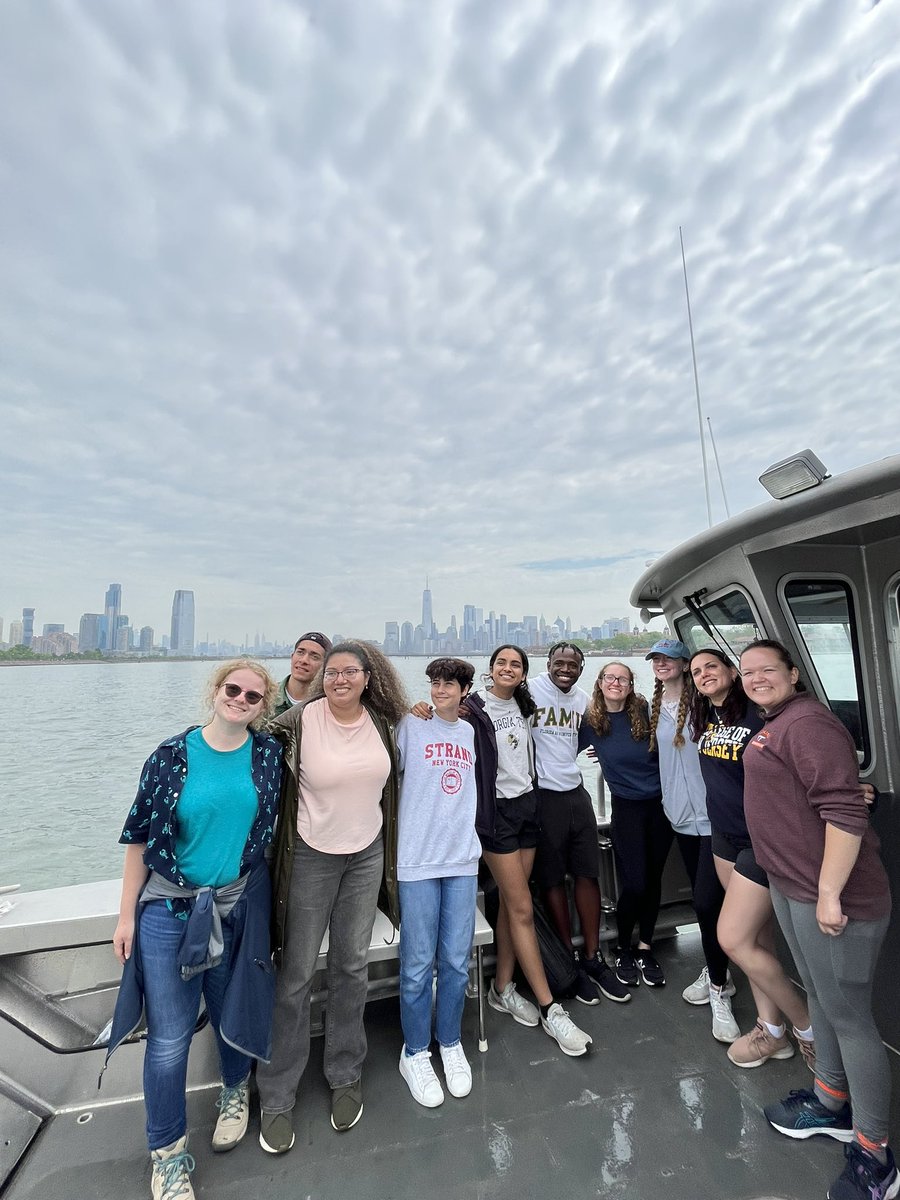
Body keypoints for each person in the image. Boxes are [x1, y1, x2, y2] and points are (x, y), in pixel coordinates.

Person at [107, 660, 282, 1200]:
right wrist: (126, 914)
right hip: (170, 911)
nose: (241, 699)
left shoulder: (269, 755)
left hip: (235, 908)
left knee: (232, 1009)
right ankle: (168, 1154)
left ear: (263, 706)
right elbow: (139, 837)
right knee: (168, 1039)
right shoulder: (170, 756)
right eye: (233, 689)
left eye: (253, 696)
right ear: (215, 691)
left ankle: (235, 1091)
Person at [739, 639, 895, 1200]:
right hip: (793, 887)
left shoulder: (807, 723)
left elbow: (845, 807)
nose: (756, 678)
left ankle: (875, 1154)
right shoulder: (776, 722)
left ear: (793, 673)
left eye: (766, 670)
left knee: (852, 1019)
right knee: (824, 1000)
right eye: (747, 672)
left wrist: (830, 892)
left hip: (831, 898)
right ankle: (831, 1100)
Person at [257, 640, 407, 1152]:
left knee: (350, 967)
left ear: (369, 676)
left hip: (366, 855)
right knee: (295, 974)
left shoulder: (384, 723)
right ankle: (277, 1093)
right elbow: (247, 734)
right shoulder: (299, 721)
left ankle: (345, 1072)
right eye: (331, 671)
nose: (339, 679)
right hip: (311, 857)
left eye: (350, 672)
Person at [688, 647, 816, 1070]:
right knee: (757, 941)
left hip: (759, 841)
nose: (704, 675)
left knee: (736, 939)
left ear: (730, 671)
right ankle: (770, 1030)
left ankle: (807, 1028)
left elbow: (796, 766)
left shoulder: (761, 715)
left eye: (712, 666)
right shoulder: (708, 716)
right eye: (697, 671)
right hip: (722, 836)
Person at [395, 657, 481, 1107]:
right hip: (417, 860)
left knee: (454, 961)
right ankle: (414, 1052)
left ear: (465, 690)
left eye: (449, 684)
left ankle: (449, 1041)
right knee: (416, 964)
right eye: (434, 683)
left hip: (462, 860)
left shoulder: (468, 732)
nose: (440, 690)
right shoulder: (411, 726)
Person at [646, 638, 740, 1042]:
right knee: (710, 904)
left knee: (706, 902)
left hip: (717, 819)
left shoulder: (704, 704)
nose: (662, 663)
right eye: (656, 659)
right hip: (680, 818)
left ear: (684, 664)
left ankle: (719, 985)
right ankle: (721, 971)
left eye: (670, 658)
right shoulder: (652, 710)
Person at [530, 642, 630, 1005]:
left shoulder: (583, 700)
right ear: (549, 664)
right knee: (552, 880)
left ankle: (593, 958)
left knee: (589, 874)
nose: (566, 669)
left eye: (573, 664)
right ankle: (567, 961)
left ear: (582, 667)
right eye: (559, 663)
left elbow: (599, 730)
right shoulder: (530, 689)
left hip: (576, 793)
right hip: (542, 798)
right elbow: (487, 704)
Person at [579, 662, 673, 989]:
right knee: (634, 882)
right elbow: (556, 749)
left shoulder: (645, 712)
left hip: (661, 807)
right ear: (600, 683)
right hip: (627, 808)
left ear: (631, 684)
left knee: (653, 879)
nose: (616, 682)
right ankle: (622, 948)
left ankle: (645, 947)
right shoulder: (591, 723)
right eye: (610, 677)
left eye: (623, 678)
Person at [273, 632, 332, 715]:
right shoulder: (267, 696)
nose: (304, 660)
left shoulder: (328, 705)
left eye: (314, 657)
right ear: (292, 656)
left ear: (325, 666)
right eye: (300, 652)